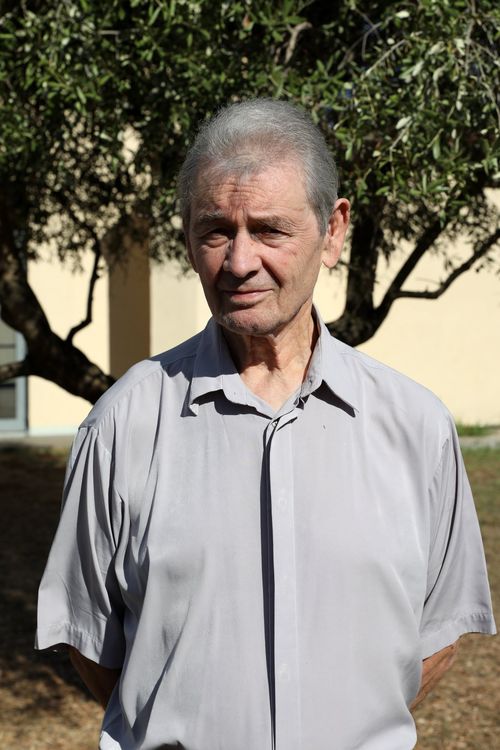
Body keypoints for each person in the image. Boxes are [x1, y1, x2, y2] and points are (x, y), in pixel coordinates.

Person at [36, 99, 496, 750]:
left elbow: (437, 637)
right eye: (215, 230)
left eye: (270, 230)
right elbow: (94, 649)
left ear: (333, 232)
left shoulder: (417, 427)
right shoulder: (120, 426)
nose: (239, 261)